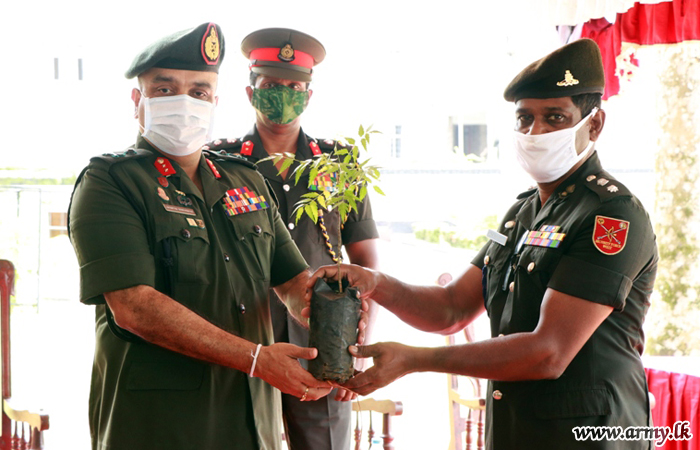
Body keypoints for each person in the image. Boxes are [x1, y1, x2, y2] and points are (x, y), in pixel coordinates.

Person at [312, 39, 658, 449]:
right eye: (524, 118)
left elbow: (549, 352)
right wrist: (376, 283)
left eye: (555, 118)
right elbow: (451, 308)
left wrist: (415, 359)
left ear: (594, 124)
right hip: (517, 430)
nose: (535, 132)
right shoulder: (522, 213)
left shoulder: (611, 215)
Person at [67, 22, 334, 450]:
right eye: (165, 89)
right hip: (160, 428)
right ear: (137, 101)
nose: (184, 102)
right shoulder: (110, 183)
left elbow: (292, 282)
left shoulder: (245, 180)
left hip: (252, 424)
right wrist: (255, 359)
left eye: (198, 91)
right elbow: (134, 306)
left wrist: (334, 310)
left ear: (214, 102)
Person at [205, 27, 380, 450]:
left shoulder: (339, 162)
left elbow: (366, 261)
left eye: (294, 88)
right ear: (251, 92)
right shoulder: (220, 162)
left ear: (308, 96)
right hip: (244, 335)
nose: (283, 95)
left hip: (325, 339)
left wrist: (359, 346)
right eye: (270, 86)